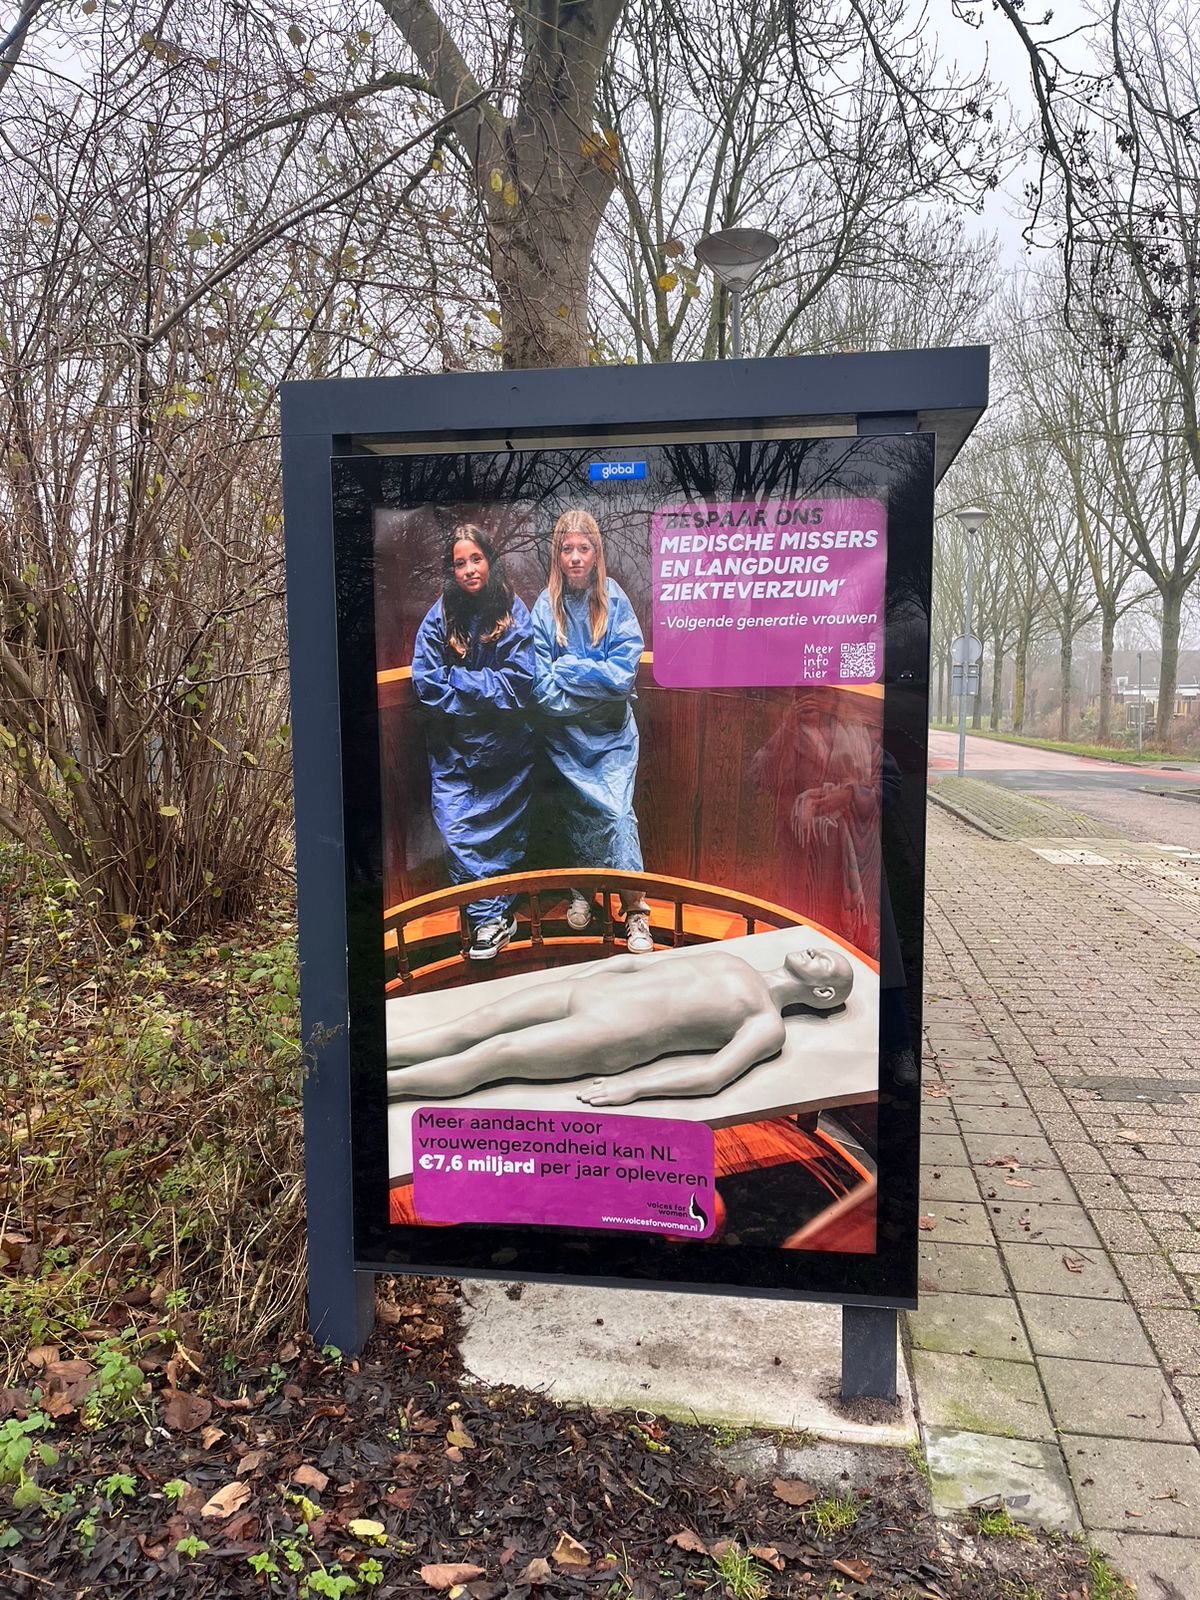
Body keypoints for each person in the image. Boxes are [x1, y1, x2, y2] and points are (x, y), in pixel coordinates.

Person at [386, 942, 854, 1105]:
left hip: (612, 1035)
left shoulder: (766, 1023)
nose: (820, 953)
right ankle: (373, 1055)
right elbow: (634, 966)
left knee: (494, 1054)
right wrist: (585, 976)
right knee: (473, 1025)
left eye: (829, 963)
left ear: (824, 993)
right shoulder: (735, 960)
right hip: (593, 990)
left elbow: (713, 1075)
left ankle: (383, 1086)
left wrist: (634, 1086)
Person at [411, 526, 534, 960]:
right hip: (455, 754)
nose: (468, 569)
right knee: (457, 830)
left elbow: (519, 684)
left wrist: (459, 681)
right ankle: (491, 919)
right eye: (459, 563)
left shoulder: (513, 610)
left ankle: (490, 921)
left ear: (490, 560)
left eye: (476, 559)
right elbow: (426, 684)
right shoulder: (439, 615)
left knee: (503, 840)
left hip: (506, 753)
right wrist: (482, 694)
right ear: (451, 570)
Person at [532, 508, 652, 953]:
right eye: (568, 549)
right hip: (565, 739)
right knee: (579, 814)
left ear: (596, 553)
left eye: (584, 548)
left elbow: (622, 678)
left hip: (613, 736)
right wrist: (592, 687)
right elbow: (541, 691)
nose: (576, 557)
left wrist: (570, 667)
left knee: (618, 816)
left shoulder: (614, 599)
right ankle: (582, 890)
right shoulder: (545, 606)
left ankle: (635, 911)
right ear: (557, 555)